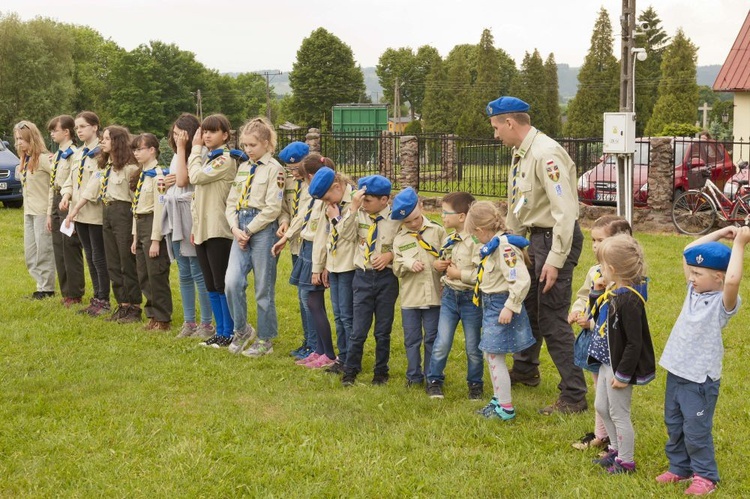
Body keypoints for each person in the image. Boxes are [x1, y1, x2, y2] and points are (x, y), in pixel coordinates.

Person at [487, 95, 587, 415]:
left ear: (510, 123)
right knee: (529, 307)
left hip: (556, 240)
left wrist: (556, 259)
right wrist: (513, 243)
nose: (495, 134)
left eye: (496, 127)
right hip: (533, 241)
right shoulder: (521, 152)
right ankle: (526, 369)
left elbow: (565, 212)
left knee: (552, 317)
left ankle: (574, 394)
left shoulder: (546, 154)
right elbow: (520, 203)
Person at [656, 226, 749, 494]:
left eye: (698, 274)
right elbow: (688, 252)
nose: (692, 277)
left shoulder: (723, 302)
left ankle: (706, 476)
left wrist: (741, 243)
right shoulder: (692, 292)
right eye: (692, 272)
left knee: (696, 430)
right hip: (677, 371)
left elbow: (733, 281)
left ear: (718, 278)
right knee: (674, 423)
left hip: (700, 379)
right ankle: (680, 468)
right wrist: (720, 233)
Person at [589, 234, 654, 475]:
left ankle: (626, 461)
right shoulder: (613, 291)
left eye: (602, 266)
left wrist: (624, 374)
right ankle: (614, 449)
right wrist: (596, 294)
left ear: (613, 269)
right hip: (607, 360)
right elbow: (598, 320)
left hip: (620, 367)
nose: (599, 270)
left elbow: (634, 344)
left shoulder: (630, 301)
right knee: (601, 406)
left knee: (619, 413)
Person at [465, 201, 534, 421]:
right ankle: (498, 399)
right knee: (491, 353)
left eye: (474, 236)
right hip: (491, 303)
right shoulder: (494, 244)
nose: (475, 240)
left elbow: (521, 280)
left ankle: (505, 408)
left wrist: (510, 306)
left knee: (495, 355)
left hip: (501, 304)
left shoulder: (505, 247)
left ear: (480, 230)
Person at [569, 215, 633, 451]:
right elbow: (584, 296)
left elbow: (618, 320)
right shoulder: (595, 271)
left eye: (601, 240)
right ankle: (602, 434)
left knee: (608, 396)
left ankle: (609, 439)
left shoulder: (623, 280)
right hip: (594, 342)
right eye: (593, 240)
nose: (595, 246)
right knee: (599, 393)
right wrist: (577, 311)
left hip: (612, 345)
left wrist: (592, 324)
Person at [225, 117, 284, 357]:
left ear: (267, 144)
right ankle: (242, 330)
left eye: (253, 145)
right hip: (240, 227)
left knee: (263, 288)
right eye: (245, 145)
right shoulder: (243, 168)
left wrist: (249, 231)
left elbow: (273, 208)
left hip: (262, 230)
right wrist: (235, 228)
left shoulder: (275, 169)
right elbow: (231, 202)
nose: (248, 150)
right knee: (232, 282)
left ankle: (265, 339)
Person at [272, 154, 334, 366]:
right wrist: (286, 238)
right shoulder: (315, 194)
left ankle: (327, 352)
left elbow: (324, 232)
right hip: (307, 248)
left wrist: (321, 264)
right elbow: (302, 216)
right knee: (309, 300)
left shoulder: (325, 197)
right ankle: (318, 349)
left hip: (316, 251)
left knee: (313, 302)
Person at [339, 175, 400, 386]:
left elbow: (404, 245)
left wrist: (390, 255)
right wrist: (353, 208)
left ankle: (381, 371)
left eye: (368, 200)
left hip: (386, 279)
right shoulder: (359, 214)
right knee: (358, 330)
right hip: (363, 277)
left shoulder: (396, 218)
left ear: (384, 200)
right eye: (361, 199)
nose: (364, 204)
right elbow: (344, 235)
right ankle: (350, 370)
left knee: (383, 330)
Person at [426, 192, 484, 400]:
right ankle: (434, 380)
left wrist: (460, 274)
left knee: (473, 346)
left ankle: (475, 384)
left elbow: (482, 273)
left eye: (445, 212)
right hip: (450, 296)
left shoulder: (476, 241)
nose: (442, 216)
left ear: (461, 216)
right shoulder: (450, 239)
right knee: (442, 341)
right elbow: (444, 261)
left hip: (471, 299)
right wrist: (438, 265)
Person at [162, 113, 214, 339]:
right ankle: (189, 321)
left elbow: (183, 181)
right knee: (183, 271)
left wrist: (184, 148)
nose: (176, 138)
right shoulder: (176, 155)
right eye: (174, 134)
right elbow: (174, 179)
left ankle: (206, 323)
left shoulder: (198, 153)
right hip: (175, 214)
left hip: (191, 214)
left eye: (180, 134)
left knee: (197, 270)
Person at [188, 114, 238, 348]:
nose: (206, 136)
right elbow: (198, 197)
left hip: (219, 229)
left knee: (220, 282)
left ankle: (229, 331)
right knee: (210, 283)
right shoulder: (210, 158)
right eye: (204, 132)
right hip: (203, 229)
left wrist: (195, 149)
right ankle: (220, 330)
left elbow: (195, 177)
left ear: (225, 135)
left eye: (212, 131)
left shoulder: (224, 159)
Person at [391, 187, 447, 386]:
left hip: (434, 296)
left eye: (415, 218)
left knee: (432, 338)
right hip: (411, 299)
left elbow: (447, 257)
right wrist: (407, 263)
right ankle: (413, 376)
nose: (413, 224)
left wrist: (442, 266)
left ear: (421, 206)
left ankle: (432, 375)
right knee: (411, 340)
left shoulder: (438, 231)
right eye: (407, 222)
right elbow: (396, 268)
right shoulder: (399, 239)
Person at [307, 166, 357, 373]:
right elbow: (326, 236)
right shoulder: (331, 204)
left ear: (337, 186)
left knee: (347, 316)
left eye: (328, 197)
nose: (327, 202)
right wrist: (324, 265)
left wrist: (337, 217)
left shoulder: (355, 202)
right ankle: (342, 358)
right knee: (338, 315)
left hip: (349, 266)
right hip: (335, 265)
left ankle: (352, 360)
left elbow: (349, 235)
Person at [61, 111, 110, 316]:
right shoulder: (79, 153)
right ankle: (96, 298)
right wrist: (66, 195)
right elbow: (71, 180)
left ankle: (104, 299)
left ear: (95, 127)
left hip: (95, 213)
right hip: (78, 214)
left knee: (99, 257)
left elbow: (95, 184)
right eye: (77, 127)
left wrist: (76, 207)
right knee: (89, 256)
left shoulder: (102, 152)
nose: (79, 130)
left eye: (83, 126)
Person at [97, 125, 142, 323]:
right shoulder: (107, 166)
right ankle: (122, 304)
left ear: (117, 142)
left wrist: (135, 228)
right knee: (113, 261)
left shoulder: (130, 169)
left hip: (124, 213)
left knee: (126, 261)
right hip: (107, 211)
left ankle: (134, 306)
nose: (102, 142)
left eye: (106, 139)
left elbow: (135, 199)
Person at [277, 141, 317, 360]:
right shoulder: (289, 180)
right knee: (302, 296)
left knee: (308, 296)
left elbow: (305, 215)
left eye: (296, 167)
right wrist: (284, 221)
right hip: (295, 244)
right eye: (289, 168)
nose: (293, 172)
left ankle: (314, 343)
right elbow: (285, 207)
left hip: (309, 242)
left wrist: (286, 235)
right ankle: (308, 340)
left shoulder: (315, 181)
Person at [130, 133, 172, 331]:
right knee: (144, 274)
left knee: (156, 273)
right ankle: (152, 314)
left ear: (152, 150)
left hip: (152, 225)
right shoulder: (143, 175)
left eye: (140, 149)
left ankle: (163, 318)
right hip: (140, 224)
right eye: (134, 149)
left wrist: (156, 239)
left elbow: (159, 209)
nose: (136, 153)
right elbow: (136, 206)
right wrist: (135, 237)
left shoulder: (158, 176)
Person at [46, 115, 85, 307]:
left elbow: (73, 183)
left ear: (66, 132)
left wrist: (72, 210)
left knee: (70, 247)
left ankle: (75, 292)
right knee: (59, 248)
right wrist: (48, 213)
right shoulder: (58, 154)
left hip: (67, 201)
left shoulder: (73, 154)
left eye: (55, 130)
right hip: (56, 200)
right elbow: (52, 184)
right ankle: (66, 291)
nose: (52, 134)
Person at [14, 120, 54, 299]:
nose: (19, 142)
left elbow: (57, 181)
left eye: (22, 139)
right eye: (16, 139)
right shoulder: (24, 159)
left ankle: (47, 289)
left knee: (43, 251)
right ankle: (39, 286)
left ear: (32, 138)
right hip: (28, 212)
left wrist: (51, 211)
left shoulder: (45, 159)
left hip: (42, 211)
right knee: (30, 253)